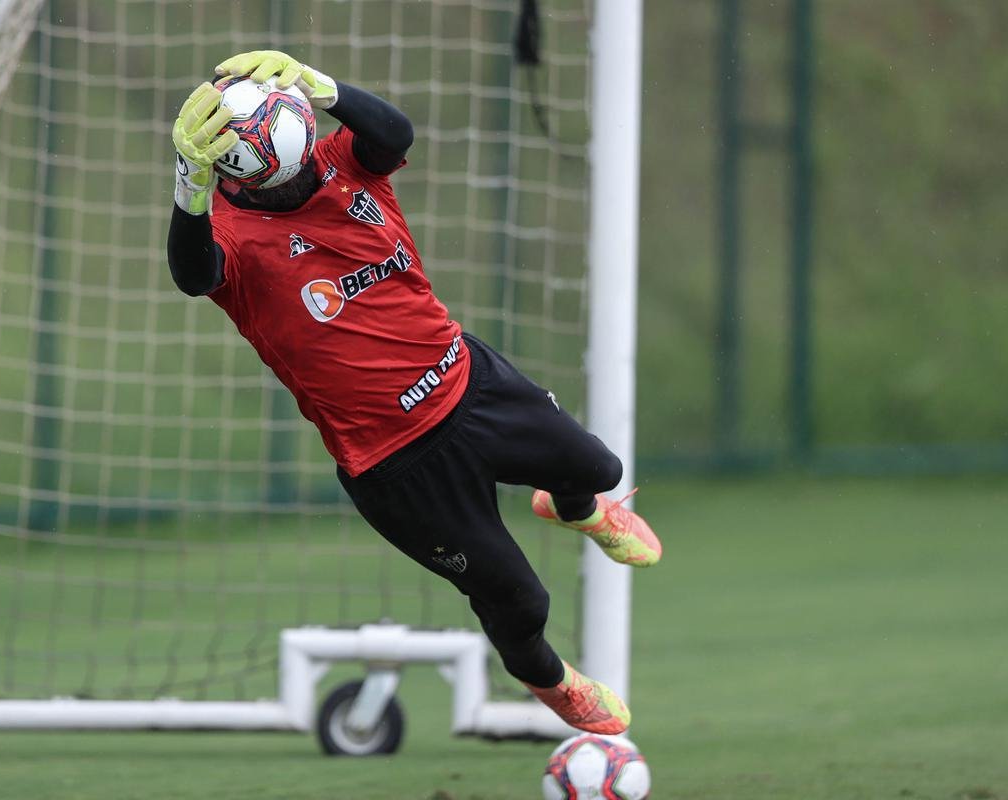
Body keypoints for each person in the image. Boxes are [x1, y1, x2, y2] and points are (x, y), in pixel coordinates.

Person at [166, 50, 662, 735]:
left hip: (469, 383)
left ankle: (572, 508)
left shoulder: (344, 164)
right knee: (519, 600)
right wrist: (189, 185)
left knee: (598, 469)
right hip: (395, 465)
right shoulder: (229, 233)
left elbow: (395, 132)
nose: (306, 169)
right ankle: (553, 684)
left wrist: (319, 83)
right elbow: (192, 275)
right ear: (237, 171)